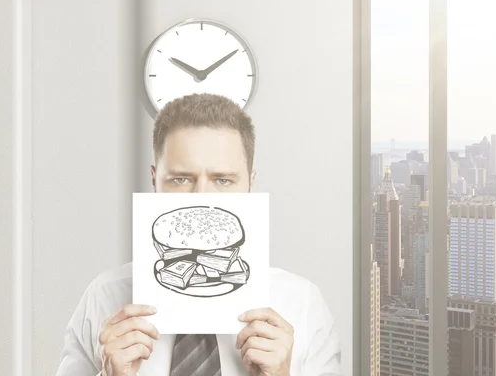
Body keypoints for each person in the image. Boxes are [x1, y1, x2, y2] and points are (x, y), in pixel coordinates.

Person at [56, 94, 342, 375]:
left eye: (223, 180)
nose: (202, 198)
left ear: (250, 184)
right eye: (181, 179)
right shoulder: (103, 298)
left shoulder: (303, 305)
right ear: (155, 180)